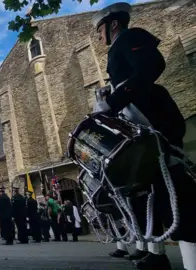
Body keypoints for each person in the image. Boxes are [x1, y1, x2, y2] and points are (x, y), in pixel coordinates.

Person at [92, 3, 196, 269]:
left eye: (99, 29)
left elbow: (151, 66)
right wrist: (109, 96)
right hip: (140, 127)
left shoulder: (131, 36)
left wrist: (114, 100)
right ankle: (157, 254)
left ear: (114, 23)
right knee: (152, 192)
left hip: (155, 119)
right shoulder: (118, 48)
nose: (98, 35)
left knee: (174, 190)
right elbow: (130, 79)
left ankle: (192, 262)